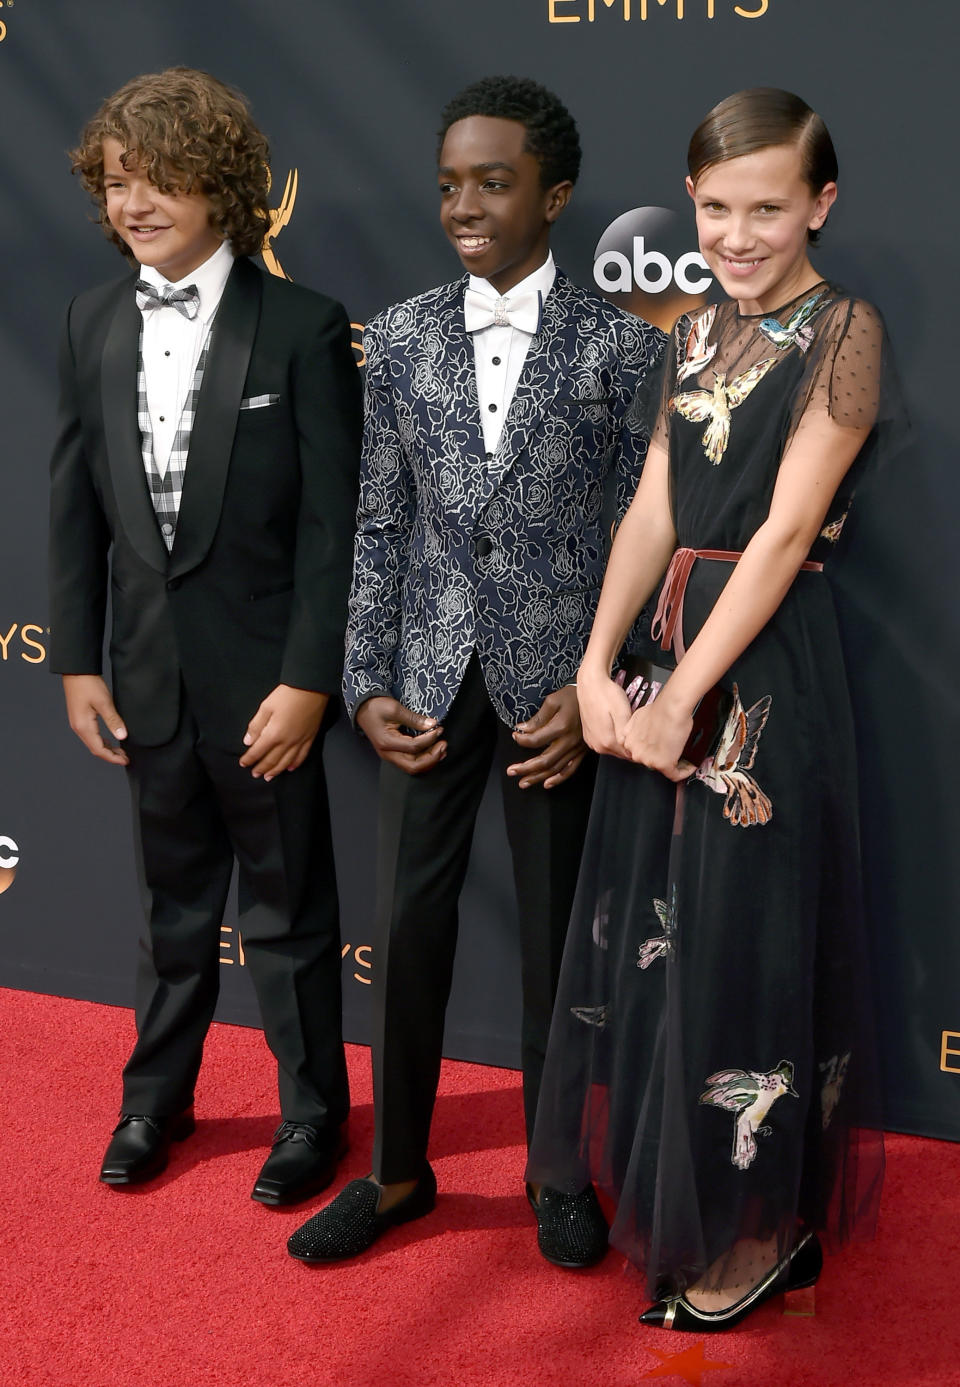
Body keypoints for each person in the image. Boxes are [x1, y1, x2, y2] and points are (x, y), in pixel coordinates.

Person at [525, 87, 896, 1329]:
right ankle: (684, 1203)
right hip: (665, 656)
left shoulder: (845, 332)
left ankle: (756, 1230)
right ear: (692, 202)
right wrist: (594, 668)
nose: (739, 234)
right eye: (718, 207)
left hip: (765, 674)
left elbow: (786, 531)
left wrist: (685, 695)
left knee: (745, 940)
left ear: (820, 205)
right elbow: (653, 512)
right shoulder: (688, 333)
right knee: (660, 941)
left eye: (769, 209)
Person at [287, 75, 665, 1266]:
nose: (464, 203)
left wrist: (602, 684)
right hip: (428, 681)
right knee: (404, 933)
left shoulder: (617, 345)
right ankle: (399, 1173)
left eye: (493, 183)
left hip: (560, 694)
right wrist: (362, 684)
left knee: (560, 945)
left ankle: (559, 1173)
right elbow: (380, 527)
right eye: (450, 183)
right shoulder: (395, 336)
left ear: (553, 195)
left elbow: (636, 536)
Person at [48, 68, 362, 1203]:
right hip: (145, 681)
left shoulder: (305, 326)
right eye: (118, 182)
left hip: (267, 687)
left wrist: (309, 680)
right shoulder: (90, 317)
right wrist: (79, 660)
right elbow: (75, 499)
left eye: (161, 180)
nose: (135, 203)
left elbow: (338, 527)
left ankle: (312, 1117)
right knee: (169, 911)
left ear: (223, 190)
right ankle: (155, 1103)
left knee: (286, 915)